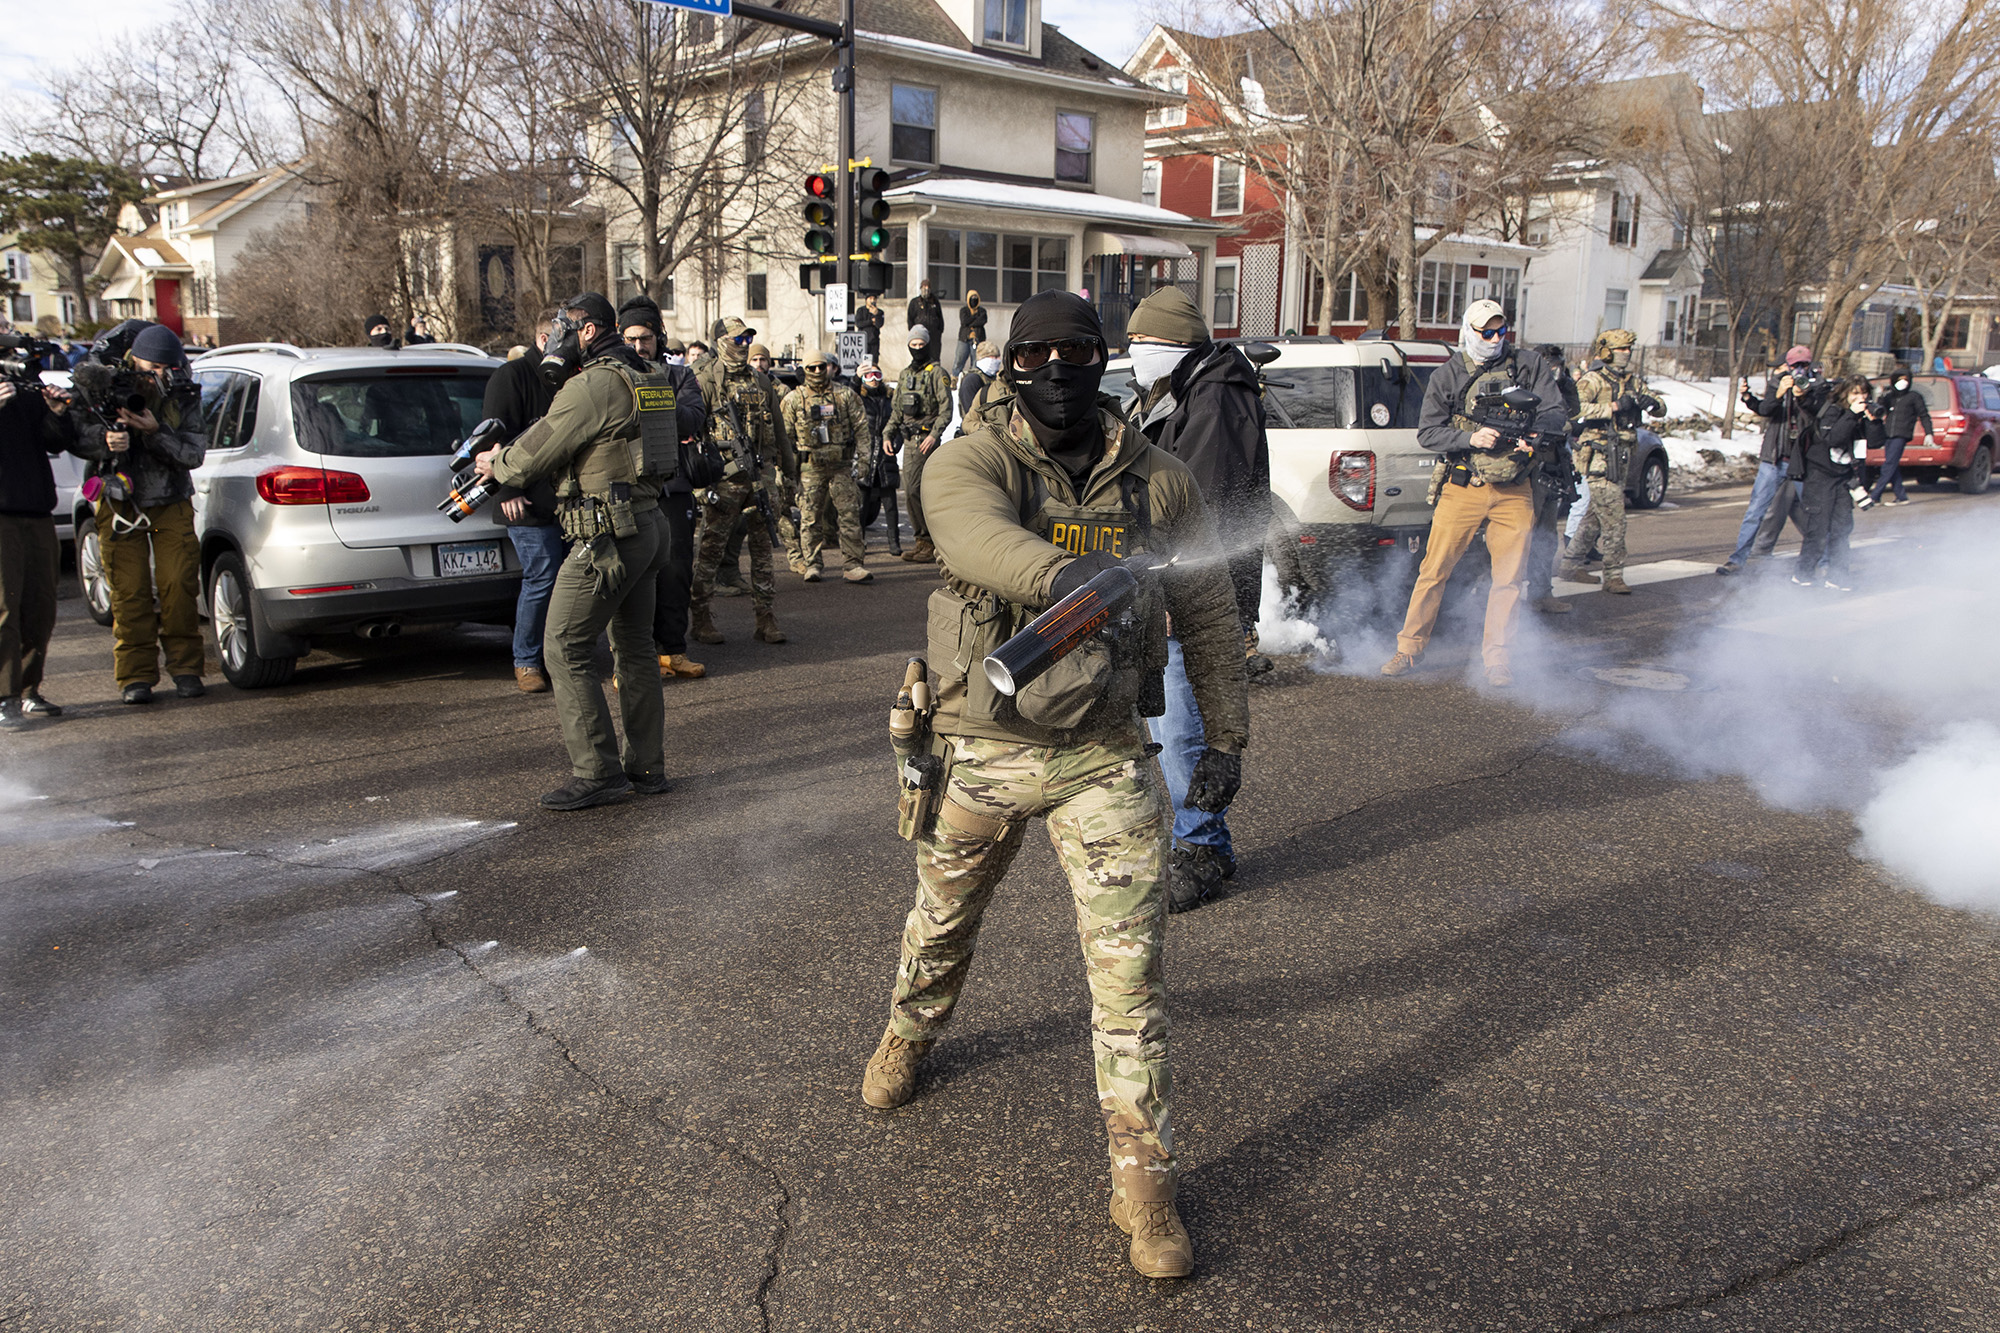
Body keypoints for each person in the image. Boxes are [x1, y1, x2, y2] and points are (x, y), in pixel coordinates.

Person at [858, 291, 1248, 1281]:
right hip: (985, 745)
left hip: (1104, 754)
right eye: (1037, 354)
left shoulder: (1157, 482)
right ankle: (908, 1031)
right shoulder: (972, 455)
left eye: (1078, 351)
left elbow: (1204, 615)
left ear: (1102, 359)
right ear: (1008, 362)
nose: (1057, 370)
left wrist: (1227, 738)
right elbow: (966, 532)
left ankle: (1144, 1184)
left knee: (1131, 981)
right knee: (940, 921)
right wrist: (1060, 579)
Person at [471, 292, 677, 810]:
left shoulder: (594, 385)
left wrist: (495, 465)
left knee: (562, 646)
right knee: (634, 651)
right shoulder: (647, 375)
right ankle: (646, 768)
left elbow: (532, 455)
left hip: (608, 536)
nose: (557, 335)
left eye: (566, 326)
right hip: (648, 525)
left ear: (587, 331)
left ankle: (598, 772)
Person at [1125, 285, 1270, 911]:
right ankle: (1207, 839)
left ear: (1173, 346)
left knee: (1182, 720)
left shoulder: (1213, 401)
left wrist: (1169, 588)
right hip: (1180, 587)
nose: (1132, 357)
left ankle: (1202, 847)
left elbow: (1198, 509)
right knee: (1172, 714)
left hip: (1195, 594)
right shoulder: (1186, 391)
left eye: (1140, 345)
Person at [1381, 299, 1566, 688]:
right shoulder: (1448, 375)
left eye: (1501, 331)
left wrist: (1534, 436)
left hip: (1515, 487)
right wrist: (1470, 437)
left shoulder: (1527, 365)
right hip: (1464, 484)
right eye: (1487, 331)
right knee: (1433, 571)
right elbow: (1428, 432)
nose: (1496, 339)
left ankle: (1497, 660)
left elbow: (1555, 412)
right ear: (1469, 330)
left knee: (1510, 579)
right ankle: (1409, 648)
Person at [72, 323, 209, 704]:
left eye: (166, 367)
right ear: (134, 359)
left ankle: (186, 669)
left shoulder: (183, 390)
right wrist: (105, 441)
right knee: (128, 592)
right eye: (151, 367)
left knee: (178, 586)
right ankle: (136, 677)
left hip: (170, 499)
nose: (159, 375)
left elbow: (193, 453)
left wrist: (154, 431)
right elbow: (75, 435)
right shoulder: (104, 382)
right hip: (119, 501)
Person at [619, 293, 710, 681]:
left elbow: (693, 418)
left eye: (646, 338)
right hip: (623, 489)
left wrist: (656, 395)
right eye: (631, 339)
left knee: (674, 571)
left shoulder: (678, 376)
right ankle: (630, 660)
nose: (639, 346)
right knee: (626, 575)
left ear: (659, 338)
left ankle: (672, 649)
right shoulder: (609, 378)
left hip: (671, 489)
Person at [482, 307, 568, 693]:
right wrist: (508, 489)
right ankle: (527, 661)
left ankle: (560, 656)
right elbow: (491, 440)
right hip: (525, 499)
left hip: (566, 497)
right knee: (543, 575)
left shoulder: (570, 378)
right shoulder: (511, 376)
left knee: (569, 581)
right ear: (542, 340)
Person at [690, 316, 787, 646]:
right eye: (737, 340)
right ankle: (700, 618)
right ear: (721, 342)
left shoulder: (760, 383)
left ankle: (766, 619)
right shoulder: (705, 381)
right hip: (722, 480)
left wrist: (785, 475)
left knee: (763, 552)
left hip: (758, 479)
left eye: (748, 340)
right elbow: (688, 434)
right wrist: (699, 486)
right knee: (710, 552)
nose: (744, 346)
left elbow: (779, 432)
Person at [0, 367, 78, 726]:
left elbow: (55, 443)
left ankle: (29, 690)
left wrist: (56, 413)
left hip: (37, 509)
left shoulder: (23, 381)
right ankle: (4, 696)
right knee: (4, 607)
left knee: (40, 605)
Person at [1560, 329, 1663, 595]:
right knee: (1616, 519)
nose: (1626, 354)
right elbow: (1575, 409)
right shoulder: (1593, 380)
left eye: (1629, 349)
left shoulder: (1632, 380)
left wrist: (1651, 403)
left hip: (1623, 453)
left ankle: (1570, 565)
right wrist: (1615, 407)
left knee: (1595, 517)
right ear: (1607, 351)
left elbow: (1659, 406)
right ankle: (1614, 574)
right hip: (1598, 458)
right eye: (1621, 349)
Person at [1717, 347, 1821, 575]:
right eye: (1794, 366)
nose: (1799, 371)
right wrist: (1779, 393)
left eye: (1804, 365)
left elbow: (1817, 413)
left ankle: (1823, 562)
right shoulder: (1777, 383)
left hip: (1804, 461)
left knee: (1815, 511)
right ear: (1787, 366)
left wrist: (1804, 395)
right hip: (1775, 459)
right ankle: (1737, 559)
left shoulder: (1817, 385)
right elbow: (1766, 410)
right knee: (1756, 511)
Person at [781, 349, 873, 583]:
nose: (818, 372)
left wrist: (863, 460)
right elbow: (784, 439)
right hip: (810, 468)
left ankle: (853, 564)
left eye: (822, 367)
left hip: (841, 466)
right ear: (804, 370)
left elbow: (862, 429)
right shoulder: (794, 399)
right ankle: (812, 564)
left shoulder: (845, 396)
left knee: (849, 515)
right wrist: (784, 472)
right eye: (812, 368)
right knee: (810, 518)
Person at [1795, 376, 1879, 590]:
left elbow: (1877, 442)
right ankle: (1803, 573)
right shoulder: (1833, 411)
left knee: (1842, 529)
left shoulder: (1861, 415)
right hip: (1820, 476)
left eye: (1864, 394)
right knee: (1819, 529)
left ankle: (1838, 576)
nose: (1860, 398)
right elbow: (1835, 439)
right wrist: (1852, 414)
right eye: (1855, 394)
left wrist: (1874, 420)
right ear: (1845, 395)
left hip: (1843, 477)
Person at [884, 326, 953, 564]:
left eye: (920, 345)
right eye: (912, 345)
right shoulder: (904, 375)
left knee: (918, 491)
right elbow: (896, 410)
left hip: (926, 440)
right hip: (909, 441)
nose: (916, 349)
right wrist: (887, 434)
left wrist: (934, 435)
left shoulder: (937, 373)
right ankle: (922, 541)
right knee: (912, 492)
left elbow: (946, 409)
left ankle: (930, 542)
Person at [1526, 344, 1581, 615]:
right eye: (1549, 367)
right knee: (1517, 536)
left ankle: (1540, 592)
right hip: (1529, 470)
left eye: (1557, 366)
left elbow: (1573, 413)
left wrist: (1566, 384)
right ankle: (1492, 594)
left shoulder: (1559, 389)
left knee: (1547, 536)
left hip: (1553, 466)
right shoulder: (1525, 387)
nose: (1553, 372)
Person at [853, 362, 902, 556]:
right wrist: (856, 378)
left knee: (890, 502)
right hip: (865, 454)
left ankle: (894, 542)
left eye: (876, 374)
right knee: (862, 503)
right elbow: (849, 395)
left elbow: (898, 423)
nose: (873, 379)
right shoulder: (859, 399)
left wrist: (895, 444)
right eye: (868, 376)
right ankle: (859, 541)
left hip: (885, 454)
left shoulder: (890, 399)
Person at [1868, 369, 1930, 507]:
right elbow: (1879, 410)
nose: (1903, 382)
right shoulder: (1890, 397)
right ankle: (1901, 496)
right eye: (1900, 379)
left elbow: (1924, 415)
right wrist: (1879, 396)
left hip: (1901, 434)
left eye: (1906, 379)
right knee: (1892, 466)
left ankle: (1875, 496)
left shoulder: (1914, 397)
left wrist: (1929, 433)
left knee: (1888, 465)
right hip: (1888, 434)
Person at [952, 339, 1005, 438]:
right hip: (974, 432)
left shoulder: (993, 378)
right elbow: (972, 413)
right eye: (993, 357)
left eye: (998, 357)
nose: (998, 360)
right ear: (983, 358)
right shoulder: (972, 380)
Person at [952, 290, 987, 376]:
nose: (973, 300)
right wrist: (975, 318)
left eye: (975, 298)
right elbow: (964, 321)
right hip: (964, 339)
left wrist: (971, 321)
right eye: (972, 298)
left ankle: (974, 377)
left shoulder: (982, 311)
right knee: (959, 360)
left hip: (977, 339)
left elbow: (982, 321)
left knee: (976, 362)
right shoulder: (964, 310)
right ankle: (955, 378)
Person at [907, 280, 945, 352]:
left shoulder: (935, 302)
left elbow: (940, 318)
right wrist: (914, 332)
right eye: (924, 287)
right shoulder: (915, 302)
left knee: (934, 355)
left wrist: (939, 331)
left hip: (934, 336)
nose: (926, 290)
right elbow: (910, 319)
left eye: (928, 288)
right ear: (921, 288)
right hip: (920, 335)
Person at [855, 293, 885, 363]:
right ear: (866, 300)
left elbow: (879, 324)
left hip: (874, 341)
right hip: (862, 341)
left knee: (873, 362)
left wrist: (876, 315)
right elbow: (859, 323)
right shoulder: (861, 310)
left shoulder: (880, 312)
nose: (872, 300)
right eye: (870, 298)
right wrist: (871, 321)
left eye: (874, 299)